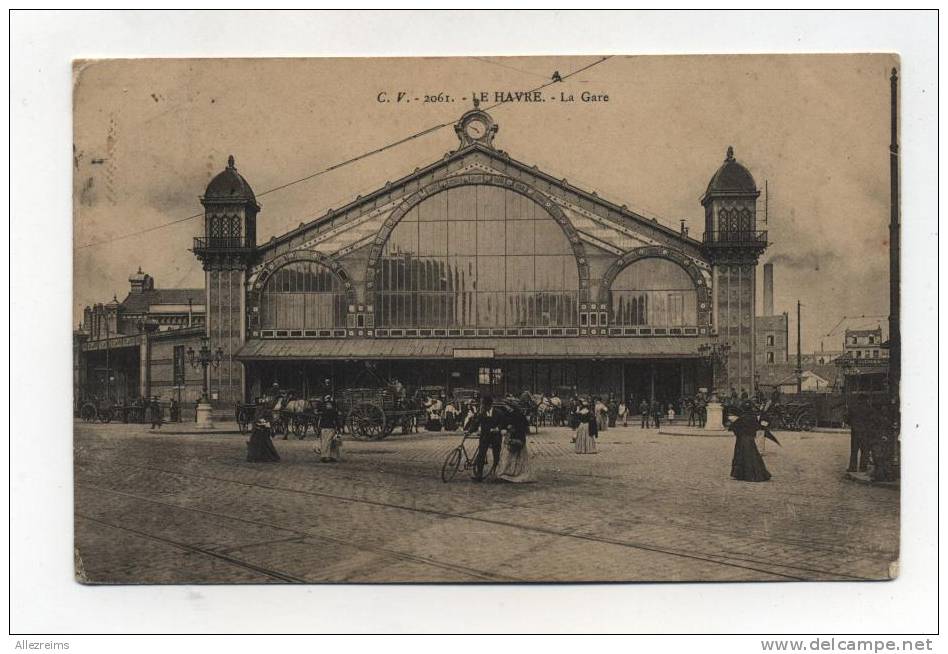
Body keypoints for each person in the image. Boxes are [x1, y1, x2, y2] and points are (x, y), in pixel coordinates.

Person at [727, 401, 771, 482]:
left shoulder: (742, 417)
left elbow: (733, 428)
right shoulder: (753, 417)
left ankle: (741, 474)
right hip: (750, 439)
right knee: (753, 456)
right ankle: (757, 473)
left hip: (742, 439)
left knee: (741, 456)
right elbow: (757, 427)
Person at [497, 406, 534, 483]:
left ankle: (510, 472)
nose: (507, 408)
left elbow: (521, 427)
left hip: (515, 437)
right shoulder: (516, 414)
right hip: (517, 437)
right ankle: (512, 472)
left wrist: (509, 428)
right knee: (514, 456)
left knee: (510, 455)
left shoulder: (513, 415)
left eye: (508, 406)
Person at [472, 394, 503, 481]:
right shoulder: (481, 413)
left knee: (496, 455)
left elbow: (502, 423)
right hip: (485, 437)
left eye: (484, 404)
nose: (483, 406)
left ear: (489, 405)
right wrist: (469, 431)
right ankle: (479, 474)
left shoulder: (498, 413)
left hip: (495, 437)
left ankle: (497, 474)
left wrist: (498, 428)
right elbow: (476, 423)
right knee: (481, 454)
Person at [316, 397, 342, 462]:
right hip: (331, 427)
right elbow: (336, 420)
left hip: (324, 428)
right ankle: (331, 456)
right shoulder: (334, 411)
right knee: (330, 442)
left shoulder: (323, 411)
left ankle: (325, 456)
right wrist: (339, 429)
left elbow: (320, 420)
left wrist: (319, 429)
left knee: (325, 442)